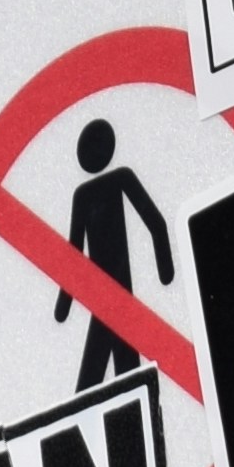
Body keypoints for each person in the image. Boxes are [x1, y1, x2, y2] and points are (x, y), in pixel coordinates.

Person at [55, 116, 183, 390]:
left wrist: (167, 274)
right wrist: (62, 308)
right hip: (109, 299)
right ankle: (130, 426)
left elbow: (156, 223)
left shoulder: (103, 186)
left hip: (113, 299)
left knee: (104, 382)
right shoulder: (87, 194)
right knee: (119, 379)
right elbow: (74, 254)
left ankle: (124, 427)